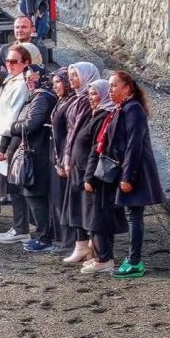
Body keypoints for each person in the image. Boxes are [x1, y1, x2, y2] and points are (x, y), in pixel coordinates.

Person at [92, 71, 165, 278]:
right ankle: (133, 259)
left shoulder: (133, 110)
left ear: (127, 88)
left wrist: (127, 176)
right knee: (131, 215)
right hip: (129, 169)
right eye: (110, 85)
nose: (111, 89)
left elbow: (134, 145)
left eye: (114, 85)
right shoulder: (122, 108)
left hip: (135, 171)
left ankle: (135, 261)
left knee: (134, 216)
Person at [0, 65, 58, 251]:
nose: (29, 82)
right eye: (27, 79)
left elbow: (31, 124)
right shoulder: (37, 96)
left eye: (33, 78)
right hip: (34, 152)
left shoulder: (42, 97)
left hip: (37, 153)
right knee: (33, 197)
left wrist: (12, 126)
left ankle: (44, 237)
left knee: (36, 197)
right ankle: (42, 235)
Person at [0, 44, 31, 243]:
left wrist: (4, 146)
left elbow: (13, 116)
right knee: (12, 185)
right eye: (7, 61)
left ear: (26, 63)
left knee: (16, 187)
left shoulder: (21, 84)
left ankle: (21, 228)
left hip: (11, 140)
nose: (9, 64)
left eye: (14, 61)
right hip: (4, 137)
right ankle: (19, 227)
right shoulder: (11, 80)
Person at [76, 79, 124, 274]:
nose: (90, 97)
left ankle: (104, 259)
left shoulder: (106, 116)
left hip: (99, 176)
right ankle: (98, 256)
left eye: (94, 93)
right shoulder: (98, 114)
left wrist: (89, 177)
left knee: (98, 219)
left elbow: (98, 149)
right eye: (89, 93)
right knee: (94, 218)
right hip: (93, 173)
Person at [61, 62, 101, 262]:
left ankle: (90, 246)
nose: (71, 79)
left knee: (85, 204)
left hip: (82, 159)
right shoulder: (77, 99)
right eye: (70, 74)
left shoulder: (86, 100)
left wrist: (67, 157)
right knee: (76, 202)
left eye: (75, 75)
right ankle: (82, 246)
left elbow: (77, 130)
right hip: (75, 157)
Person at [45, 68, 75, 254]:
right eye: (54, 82)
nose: (56, 86)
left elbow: (69, 134)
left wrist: (64, 160)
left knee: (63, 201)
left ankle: (68, 241)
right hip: (55, 156)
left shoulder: (71, 103)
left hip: (64, 157)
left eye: (59, 82)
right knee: (56, 200)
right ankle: (60, 238)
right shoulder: (61, 101)